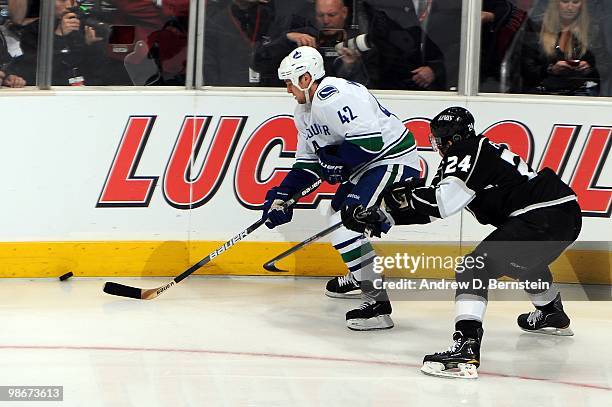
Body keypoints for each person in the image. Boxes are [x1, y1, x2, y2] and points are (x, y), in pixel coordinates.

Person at [345, 106, 581, 378]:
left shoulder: (465, 152)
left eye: (437, 138)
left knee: (473, 267)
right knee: (521, 259)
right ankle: (551, 312)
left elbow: (441, 203)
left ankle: (466, 348)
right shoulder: (473, 154)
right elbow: (434, 210)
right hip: (563, 215)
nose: (435, 144)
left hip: (543, 216)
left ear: (450, 139)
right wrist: (384, 218)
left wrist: (399, 199)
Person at [262, 46, 421, 330]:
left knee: (345, 222)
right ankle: (360, 273)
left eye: (289, 82)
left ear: (306, 78)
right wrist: (283, 197)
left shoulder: (336, 96)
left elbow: (371, 143)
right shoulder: (303, 113)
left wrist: (337, 162)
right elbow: (307, 163)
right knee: (337, 216)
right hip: (367, 167)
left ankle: (378, 306)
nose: (287, 89)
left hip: (393, 160)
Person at [253, 0, 371, 86]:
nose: (326, 21)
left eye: (331, 15)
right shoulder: (304, 36)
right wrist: (287, 38)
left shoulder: (358, 42)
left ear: (344, 13)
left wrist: (350, 67)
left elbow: (373, 86)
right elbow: (258, 63)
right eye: (321, 15)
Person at [10, 0, 112, 86]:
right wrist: (59, 36)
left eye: (71, 0)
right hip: (52, 88)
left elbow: (97, 71)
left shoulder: (83, 27)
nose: (68, 5)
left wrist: (91, 46)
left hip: (84, 89)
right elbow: (34, 69)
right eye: (62, 0)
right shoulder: (33, 31)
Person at [520, 0, 607, 96]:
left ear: (582, 5)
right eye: (565, 2)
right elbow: (525, 69)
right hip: (543, 92)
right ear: (556, 3)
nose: (570, 7)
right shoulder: (536, 28)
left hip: (582, 93)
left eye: (575, 2)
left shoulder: (592, 30)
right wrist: (551, 69)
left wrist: (589, 69)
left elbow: (605, 66)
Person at [204, 0, 276, 86]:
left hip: (271, 91)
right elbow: (209, 66)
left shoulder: (272, 17)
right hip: (228, 92)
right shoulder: (216, 22)